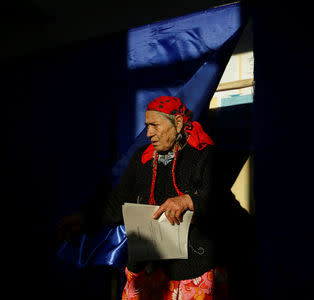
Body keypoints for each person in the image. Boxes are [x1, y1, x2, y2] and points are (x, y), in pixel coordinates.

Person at [59, 96, 230, 300]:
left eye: (155, 125)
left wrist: (188, 200)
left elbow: (220, 202)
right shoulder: (143, 159)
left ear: (177, 122)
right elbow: (117, 202)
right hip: (147, 268)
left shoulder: (203, 155)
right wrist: (85, 219)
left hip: (192, 269)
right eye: (147, 126)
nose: (149, 133)